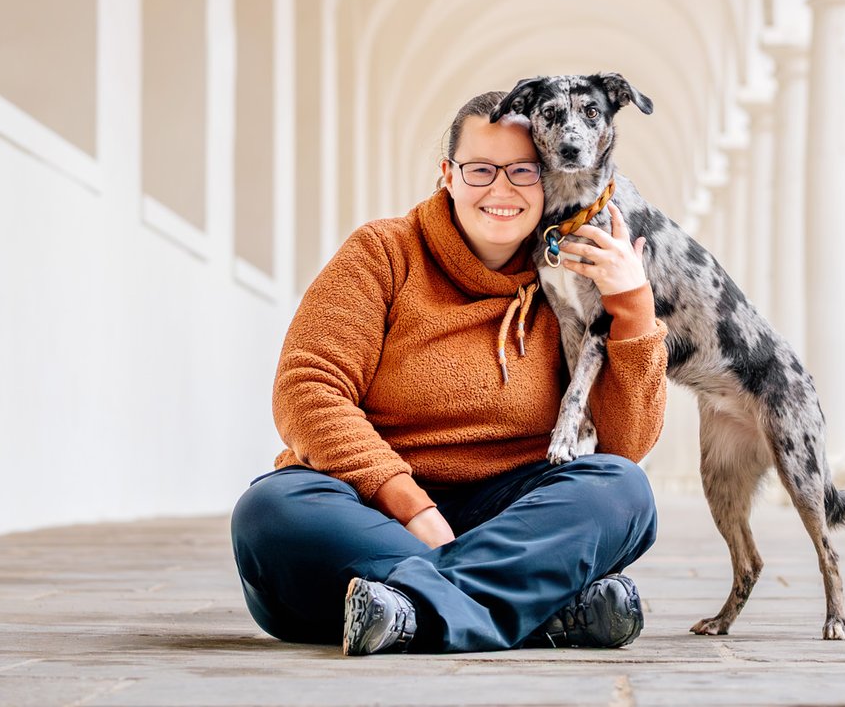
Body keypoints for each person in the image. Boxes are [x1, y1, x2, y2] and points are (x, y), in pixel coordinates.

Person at [230, 90, 669, 655]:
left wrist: (632, 305)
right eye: (480, 169)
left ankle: (405, 612)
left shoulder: (572, 284)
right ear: (448, 174)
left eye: (523, 172)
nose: (502, 189)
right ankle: (541, 609)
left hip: (510, 509)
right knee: (270, 514)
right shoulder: (383, 252)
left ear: (551, 177)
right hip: (368, 508)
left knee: (623, 491)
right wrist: (415, 511)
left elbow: (625, 444)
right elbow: (308, 391)